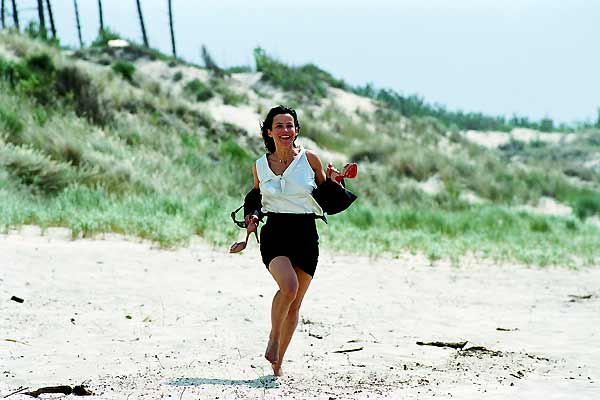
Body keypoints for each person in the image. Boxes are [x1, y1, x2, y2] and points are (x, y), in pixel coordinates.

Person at [240, 105, 356, 377]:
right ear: (269, 132)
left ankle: (277, 363)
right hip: (276, 232)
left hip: (305, 233)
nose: (285, 130)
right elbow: (255, 197)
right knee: (288, 287)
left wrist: (336, 181)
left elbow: (327, 197)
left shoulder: (310, 159)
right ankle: (273, 337)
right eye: (279, 126)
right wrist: (252, 217)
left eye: (290, 125)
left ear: (296, 130)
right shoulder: (260, 165)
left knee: (296, 303)